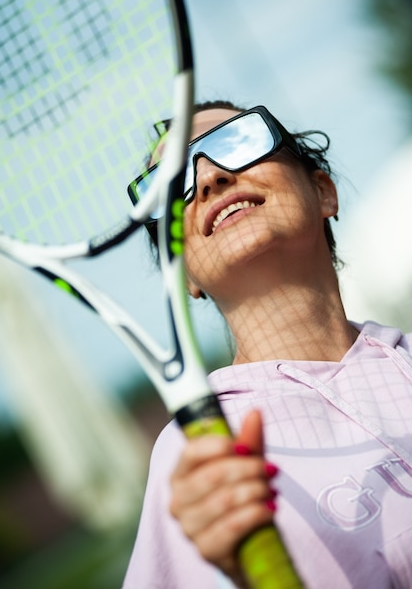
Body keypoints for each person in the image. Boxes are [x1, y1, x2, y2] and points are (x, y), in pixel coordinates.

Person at [123, 101, 412, 589]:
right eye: (173, 185)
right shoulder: (193, 453)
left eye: (237, 142)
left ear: (323, 191)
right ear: (185, 272)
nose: (210, 176)